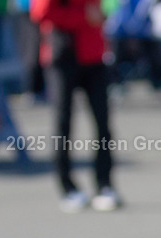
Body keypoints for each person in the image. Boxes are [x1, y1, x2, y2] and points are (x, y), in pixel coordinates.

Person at [31, 0, 120, 212]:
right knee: (63, 122)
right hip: (63, 54)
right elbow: (41, 12)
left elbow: (108, 7)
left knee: (103, 122)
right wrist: (83, 18)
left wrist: (105, 14)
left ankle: (104, 184)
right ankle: (67, 187)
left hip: (94, 53)